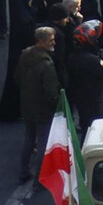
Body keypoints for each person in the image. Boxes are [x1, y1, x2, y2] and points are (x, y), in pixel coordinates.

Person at [18, 27, 61, 183]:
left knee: (29, 139)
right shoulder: (46, 64)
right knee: (43, 142)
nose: (53, 42)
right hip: (42, 108)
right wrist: (57, 106)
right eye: (51, 40)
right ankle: (40, 178)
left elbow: (17, 77)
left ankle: (24, 172)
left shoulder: (25, 55)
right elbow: (51, 91)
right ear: (41, 42)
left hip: (27, 104)